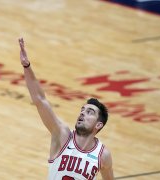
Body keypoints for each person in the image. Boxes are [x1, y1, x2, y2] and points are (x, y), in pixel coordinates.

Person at [18, 37, 114, 180]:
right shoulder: (62, 135)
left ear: (98, 124)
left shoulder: (103, 155)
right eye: (82, 110)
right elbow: (40, 100)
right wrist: (27, 66)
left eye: (89, 112)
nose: (82, 113)